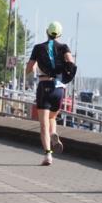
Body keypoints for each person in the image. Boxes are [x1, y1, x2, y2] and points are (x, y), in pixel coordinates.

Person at [25, 21, 76, 165]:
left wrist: (30, 69)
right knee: (52, 117)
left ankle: (48, 155)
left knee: (43, 125)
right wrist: (65, 74)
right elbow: (71, 63)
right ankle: (54, 133)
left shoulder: (38, 48)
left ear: (47, 32)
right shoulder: (64, 47)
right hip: (59, 88)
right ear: (59, 34)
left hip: (44, 85)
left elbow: (29, 68)